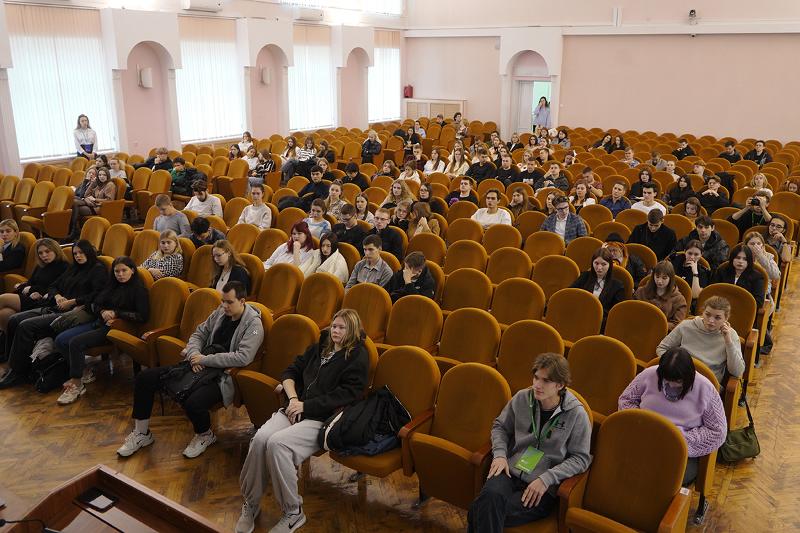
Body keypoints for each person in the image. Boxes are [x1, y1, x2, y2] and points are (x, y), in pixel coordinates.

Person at [236, 308, 368, 533]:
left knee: (277, 445)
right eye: (334, 326)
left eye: (341, 328)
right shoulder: (321, 345)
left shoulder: (357, 356)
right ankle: (251, 502)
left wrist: (306, 406)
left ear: (352, 330)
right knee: (260, 439)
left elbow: (346, 396)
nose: (335, 331)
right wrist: (294, 399)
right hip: (295, 408)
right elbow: (291, 371)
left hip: (322, 419)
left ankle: (293, 512)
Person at [117, 280, 263, 459]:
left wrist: (205, 360)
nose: (224, 306)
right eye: (223, 301)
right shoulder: (220, 312)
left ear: (242, 301)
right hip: (198, 364)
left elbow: (243, 357)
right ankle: (142, 433)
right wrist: (194, 354)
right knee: (145, 378)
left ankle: (205, 435)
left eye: (229, 302)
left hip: (223, 376)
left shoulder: (254, 324)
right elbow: (199, 333)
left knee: (193, 402)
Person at [467, 352, 591, 532]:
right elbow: (500, 427)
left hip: (542, 485)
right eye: (536, 377)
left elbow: (580, 458)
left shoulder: (577, 415)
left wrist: (547, 478)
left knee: (480, 510)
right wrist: (500, 455)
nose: (537, 385)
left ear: (560, 385)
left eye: (546, 381)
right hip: (509, 470)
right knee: (488, 502)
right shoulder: (522, 398)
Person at [618, 347, 727, 486]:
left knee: (662, 481)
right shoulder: (650, 374)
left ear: (688, 376)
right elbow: (626, 400)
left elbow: (718, 430)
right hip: (644, 440)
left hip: (680, 449)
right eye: (666, 379)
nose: (671, 385)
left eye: (677, 381)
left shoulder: (705, 388)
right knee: (624, 470)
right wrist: (641, 423)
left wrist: (679, 439)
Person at [55, 257, 149, 403]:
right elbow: (96, 304)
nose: (120, 274)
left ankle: (77, 384)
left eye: (124, 270)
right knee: (61, 339)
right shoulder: (111, 285)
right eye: (117, 271)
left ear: (132, 270)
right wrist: (103, 311)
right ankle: (83, 371)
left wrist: (116, 313)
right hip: (99, 322)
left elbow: (142, 316)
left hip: (117, 328)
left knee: (75, 342)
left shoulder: (139, 289)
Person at [2, 240, 105, 360]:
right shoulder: (74, 267)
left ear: (88, 252)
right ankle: (9, 359)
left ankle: (19, 366)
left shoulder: (98, 269)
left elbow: (98, 294)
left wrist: (73, 301)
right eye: (75, 253)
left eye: (81, 252)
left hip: (72, 311)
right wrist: (58, 296)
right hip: (56, 306)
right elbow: (53, 286)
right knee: (14, 319)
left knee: (25, 325)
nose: (78, 256)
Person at [656, 296, 745, 384]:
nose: (711, 320)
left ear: (726, 318)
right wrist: (674, 366)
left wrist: (728, 342)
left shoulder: (731, 335)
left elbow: (737, 372)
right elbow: (662, 348)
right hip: (679, 377)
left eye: (717, 317)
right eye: (707, 314)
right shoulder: (686, 326)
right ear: (703, 312)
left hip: (708, 383)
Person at [0, 239, 67, 334]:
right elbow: (30, 283)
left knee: (3, 298)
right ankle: (8, 340)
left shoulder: (64, 266)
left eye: (47, 251)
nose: (44, 255)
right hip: (30, 296)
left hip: (43, 301)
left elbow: (56, 288)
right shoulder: (40, 266)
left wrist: (34, 290)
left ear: (55, 250)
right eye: (40, 253)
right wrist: (25, 287)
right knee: (4, 313)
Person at [570, 247, 626, 319]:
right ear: (592, 263)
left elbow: (616, 312)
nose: (599, 268)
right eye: (596, 263)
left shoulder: (617, 285)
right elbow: (570, 294)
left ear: (610, 265)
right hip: (580, 315)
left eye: (603, 264)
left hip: (602, 320)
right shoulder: (584, 276)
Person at [634, 261, 688, 330]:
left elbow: (677, 324)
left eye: (664, 278)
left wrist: (657, 324)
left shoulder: (679, 299)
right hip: (638, 327)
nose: (659, 281)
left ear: (670, 279)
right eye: (657, 277)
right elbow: (632, 311)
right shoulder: (641, 291)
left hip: (663, 332)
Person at [70, 167, 117, 238]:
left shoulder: (110, 185)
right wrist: (93, 183)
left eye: (104, 175)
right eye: (100, 175)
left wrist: (95, 199)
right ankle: (74, 230)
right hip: (92, 205)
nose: (102, 177)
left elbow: (109, 200)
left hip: (99, 208)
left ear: (107, 175)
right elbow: (86, 195)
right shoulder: (99, 184)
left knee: (75, 206)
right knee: (73, 202)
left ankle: (74, 230)